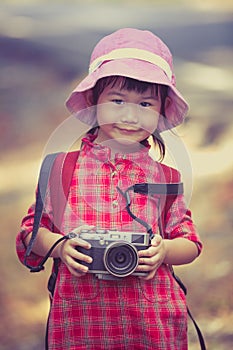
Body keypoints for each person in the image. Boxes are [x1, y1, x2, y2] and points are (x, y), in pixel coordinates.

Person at [16, 28, 203, 350]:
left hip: (152, 322)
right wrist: (60, 247)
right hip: (82, 321)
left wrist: (164, 252)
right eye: (117, 101)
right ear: (93, 102)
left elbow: (190, 243)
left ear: (160, 112)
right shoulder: (62, 168)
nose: (130, 115)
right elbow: (29, 237)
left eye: (145, 104)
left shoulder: (166, 176)